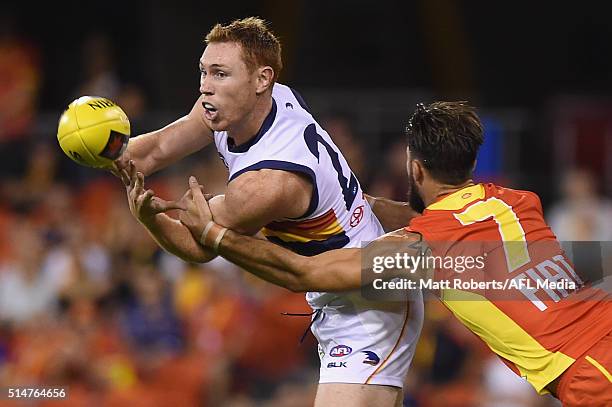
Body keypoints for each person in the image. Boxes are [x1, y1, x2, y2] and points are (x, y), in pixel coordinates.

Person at [168, 101, 612, 406]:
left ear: (414, 167)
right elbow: (438, 220)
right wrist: (357, 204)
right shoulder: (518, 201)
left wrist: (216, 235)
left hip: (592, 371)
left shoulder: (420, 252)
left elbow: (305, 274)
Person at [117, 17, 422, 406]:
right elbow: (153, 151)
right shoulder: (255, 102)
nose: (205, 86)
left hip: (369, 298)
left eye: (220, 74)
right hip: (340, 289)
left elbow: (199, 247)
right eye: (204, 71)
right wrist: (103, 146)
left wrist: (148, 218)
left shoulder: (266, 184)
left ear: (262, 80)